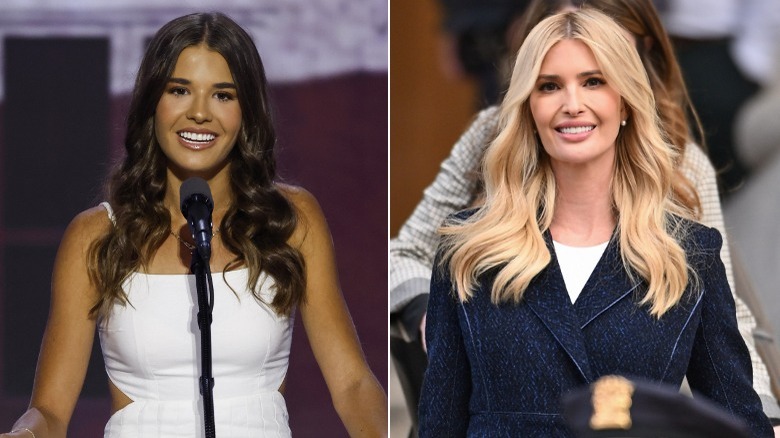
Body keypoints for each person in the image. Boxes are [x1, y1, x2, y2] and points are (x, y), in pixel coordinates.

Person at [389, 0, 780, 427]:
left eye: (594, 81)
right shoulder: (465, 249)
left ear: (628, 100)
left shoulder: (692, 252)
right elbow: (439, 422)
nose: (572, 103)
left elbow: (736, 410)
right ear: (527, 106)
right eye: (549, 86)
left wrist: (769, 413)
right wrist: (420, 310)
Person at [2, 12, 386, 438]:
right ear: (153, 102)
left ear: (247, 111)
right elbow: (50, 412)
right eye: (180, 90)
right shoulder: (96, 237)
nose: (200, 113)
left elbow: (352, 385)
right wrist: (25, 434)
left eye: (223, 95)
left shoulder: (290, 219)